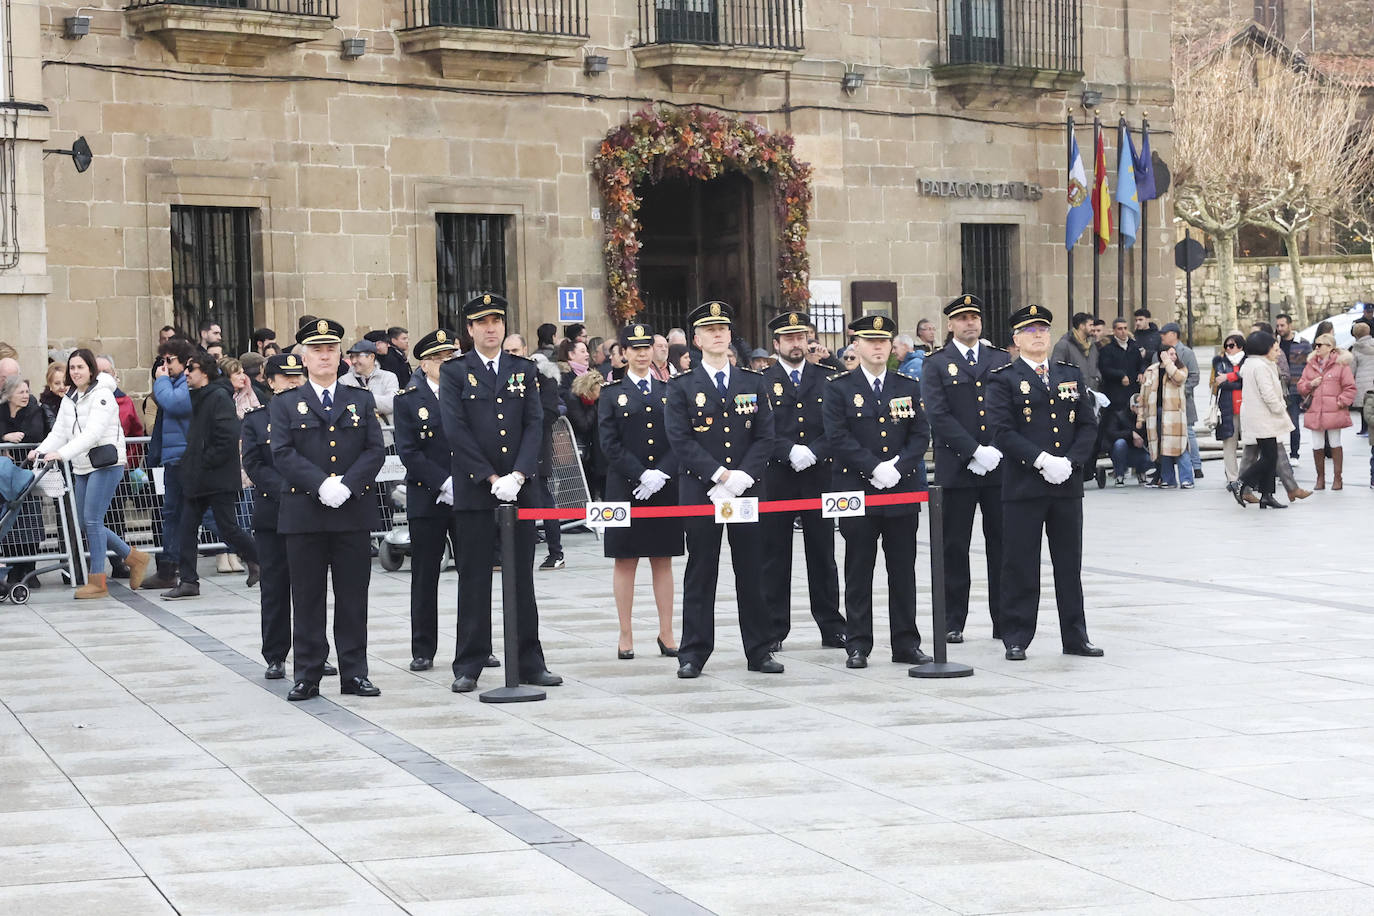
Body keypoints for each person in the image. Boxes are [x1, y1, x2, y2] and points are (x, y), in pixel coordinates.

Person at [440, 294, 561, 693]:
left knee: (521, 578)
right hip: (478, 490)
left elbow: (534, 423)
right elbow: (456, 431)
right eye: (483, 322)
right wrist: (492, 479)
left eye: (497, 321)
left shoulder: (522, 369)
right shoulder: (456, 371)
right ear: (470, 329)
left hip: (519, 491)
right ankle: (469, 663)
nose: (492, 328)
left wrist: (521, 474)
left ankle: (530, 660)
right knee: (474, 577)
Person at [270, 319, 386, 700]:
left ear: (341, 356)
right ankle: (307, 673)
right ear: (303, 357)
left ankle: (354, 672)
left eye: (331, 349)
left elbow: (374, 449)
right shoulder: (286, 403)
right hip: (305, 512)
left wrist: (347, 485)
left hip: (351, 511)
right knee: (307, 598)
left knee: (353, 597)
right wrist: (321, 483)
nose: (325, 355)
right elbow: (282, 453)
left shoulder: (360, 400)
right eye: (317, 350)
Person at [665, 299, 778, 678]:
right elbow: (680, 439)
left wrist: (743, 476)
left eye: (723, 329)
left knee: (752, 570)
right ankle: (694, 652)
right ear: (697, 340)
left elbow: (765, 434)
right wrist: (719, 476)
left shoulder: (752, 381)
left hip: (746, 489)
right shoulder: (682, 386)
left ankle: (759, 649)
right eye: (710, 330)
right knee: (701, 570)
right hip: (702, 491)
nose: (718, 335)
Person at [986, 304, 1102, 661]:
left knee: (1069, 563)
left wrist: (1071, 461)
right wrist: (1040, 460)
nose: (1038, 335)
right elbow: (1001, 430)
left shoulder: (1068, 373)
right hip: (1025, 484)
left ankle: (1075, 635)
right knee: (1020, 563)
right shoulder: (1003, 378)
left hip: (1065, 483)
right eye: (1030, 330)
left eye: (1043, 329)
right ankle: (1017, 635)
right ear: (1016, 339)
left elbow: (1087, 423)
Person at [824, 314, 933, 669]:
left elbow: (920, 434)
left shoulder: (907, 386)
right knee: (858, 568)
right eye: (869, 341)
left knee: (903, 569)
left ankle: (906, 642)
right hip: (856, 488)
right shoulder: (839, 387)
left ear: (891, 347)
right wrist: (873, 467)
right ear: (856, 345)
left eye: (883, 341)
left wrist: (897, 467)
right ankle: (857, 643)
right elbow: (837, 437)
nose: (876, 347)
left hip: (900, 489)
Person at [921, 294, 1012, 642]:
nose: (970, 322)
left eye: (974, 317)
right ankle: (952, 621)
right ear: (950, 325)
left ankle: (1004, 620)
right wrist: (973, 451)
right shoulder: (937, 363)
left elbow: (1009, 409)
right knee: (953, 548)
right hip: (957, 469)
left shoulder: (1000, 359)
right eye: (962, 318)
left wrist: (995, 450)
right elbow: (937, 414)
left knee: (1002, 547)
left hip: (999, 467)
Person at [394, 329, 484, 673]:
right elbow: (409, 452)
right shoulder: (408, 399)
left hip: (468, 493)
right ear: (425, 363)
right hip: (427, 495)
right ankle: (423, 648)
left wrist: (465, 481)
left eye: (451, 358)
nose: (447, 364)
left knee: (472, 573)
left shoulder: (467, 394)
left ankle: (476, 645)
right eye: (440, 359)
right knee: (425, 574)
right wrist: (442, 482)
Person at [30, 349, 151, 597]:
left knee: (93, 520)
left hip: (106, 463)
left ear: (91, 369)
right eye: (72, 368)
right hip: (82, 466)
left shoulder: (102, 395)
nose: (75, 372)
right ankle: (133, 557)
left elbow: (93, 433)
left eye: (80, 367)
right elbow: (59, 432)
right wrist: (40, 451)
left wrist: (61, 454)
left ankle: (98, 581)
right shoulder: (70, 398)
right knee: (85, 523)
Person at [242, 353, 334, 681]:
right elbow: (255, 464)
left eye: (298, 376)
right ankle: (276, 655)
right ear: (270, 382)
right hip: (275, 512)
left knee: (310, 589)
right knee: (276, 587)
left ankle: (314, 653)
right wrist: (292, 488)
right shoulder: (255, 419)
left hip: (310, 512)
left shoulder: (316, 414)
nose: (293, 382)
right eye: (285, 377)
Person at [760, 312, 845, 651]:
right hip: (777, 476)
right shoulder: (762, 380)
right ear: (776, 344)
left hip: (819, 473)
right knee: (773, 554)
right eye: (789, 338)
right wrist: (788, 451)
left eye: (801, 337)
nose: (796, 344)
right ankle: (774, 627)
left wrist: (814, 450)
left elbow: (838, 424)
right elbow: (761, 427)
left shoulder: (829, 378)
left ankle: (831, 624)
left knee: (823, 552)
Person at [598, 323, 683, 659]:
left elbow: (680, 436)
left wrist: (660, 473)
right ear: (624, 353)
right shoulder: (610, 393)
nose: (642, 353)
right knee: (625, 559)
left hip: (664, 486)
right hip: (625, 486)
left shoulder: (669, 390)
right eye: (634, 348)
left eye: (646, 347)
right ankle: (625, 634)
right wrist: (640, 475)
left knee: (663, 559)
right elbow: (608, 443)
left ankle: (667, 632)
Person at [158, 355, 260, 599]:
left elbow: (227, 436)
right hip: (199, 477)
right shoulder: (199, 396)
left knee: (228, 527)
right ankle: (189, 581)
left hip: (216, 477)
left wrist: (203, 462)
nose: (186, 374)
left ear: (203, 371)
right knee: (187, 527)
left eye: (190, 369)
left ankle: (260, 560)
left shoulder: (218, 397)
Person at [141, 338, 196, 591]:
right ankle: (168, 569)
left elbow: (175, 403)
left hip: (186, 458)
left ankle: (251, 556)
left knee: (208, 515)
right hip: (174, 458)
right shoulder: (171, 383)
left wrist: (161, 380)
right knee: (172, 514)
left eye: (169, 360)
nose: (165, 366)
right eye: (162, 361)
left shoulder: (188, 382)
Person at [1234, 331, 1292, 509]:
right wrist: (1280, 409)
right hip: (1264, 417)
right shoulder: (1260, 367)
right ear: (1264, 349)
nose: (1278, 352)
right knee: (1269, 457)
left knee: (1270, 455)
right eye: (1275, 349)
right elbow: (1267, 394)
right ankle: (1240, 483)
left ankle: (1267, 495)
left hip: (1260, 416)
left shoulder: (1255, 364)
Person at [1, 374, 49, 586]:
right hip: (5, 477)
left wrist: (16, 439)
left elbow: (35, 433)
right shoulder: (1, 411)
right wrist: (4, 439)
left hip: (27, 474)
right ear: (9, 394)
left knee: (30, 522)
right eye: (20, 391)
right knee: (10, 521)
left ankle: (29, 569)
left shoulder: (33, 409)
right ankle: (13, 568)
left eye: (26, 391)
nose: (25, 395)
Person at [1297, 333, 1357, 490]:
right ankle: (1320, 479)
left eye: (1320, 345)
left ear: (1330, 347)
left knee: (1335, 442)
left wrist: (1341, 401)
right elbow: (1301, 386)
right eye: (1315, 345)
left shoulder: (1341, 365)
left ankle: (1338, 478)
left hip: (1334, 410)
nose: (1316, 348)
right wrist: (1310, 384)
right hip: (1315, 410)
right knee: (1317, 444)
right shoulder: (1310, 365)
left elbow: (1350, 387)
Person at [1138, 345, 1194, 489]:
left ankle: (1187, 479)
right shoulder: (1151, 371)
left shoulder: (1180, 369)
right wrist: (1140, 417)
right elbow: (1143, 395)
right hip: (1155, 412)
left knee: (1180, 447)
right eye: (1170, 354)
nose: (1173, 356)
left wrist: (1168, 363)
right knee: (1163, 448)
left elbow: (1178, 379)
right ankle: (1167, 478)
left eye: (1175, 354)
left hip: (1174, 415)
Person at [1157, 323, 1202, 478]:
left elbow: (1194, 376)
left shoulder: (1186, 353)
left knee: (1188, 433)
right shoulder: (1159, 352)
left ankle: (1196, 466)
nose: (1161, 336)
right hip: (1164, 402)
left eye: (1165, 333)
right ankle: (1164, 474)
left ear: (1174, 334)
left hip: (1183, 402)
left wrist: (1182, 392)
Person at [340, 339, 399, 430]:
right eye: (351, 357)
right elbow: (344, 408)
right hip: (356, 436)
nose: (354, 361)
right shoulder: (344, 380)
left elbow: (391, 403)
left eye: (357, 356)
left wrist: (361, 398)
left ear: (371, 357)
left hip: (385, 436)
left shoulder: (388, 377)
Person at [1275, 314, 1311, 459]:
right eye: (1277, 326)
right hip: (1278, 389)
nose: (1279, 328)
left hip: (1295, 389)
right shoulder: (1274, 345)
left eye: (1282, 325)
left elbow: (1310, 365)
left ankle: (1294, 454)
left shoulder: (1303, 343)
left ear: (1290, 325)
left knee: (1294, 422)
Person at [1212, 334, 1246, 488]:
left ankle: (1248, 475)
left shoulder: (1248, 361)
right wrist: (1236, 380)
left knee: (1249, 444)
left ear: (1240, 346)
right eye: (1226, 346)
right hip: (1227, 407)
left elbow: (1248, 381)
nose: (1228, 349)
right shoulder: (1220, 361)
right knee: (1229, 444)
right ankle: (1232, 477)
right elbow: (1221, 384)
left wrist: (1229, 377)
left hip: (1247, 408)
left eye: (1231, 346)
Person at [566, 370, 607, 499]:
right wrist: (593, 407)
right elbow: (583, 425)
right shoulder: (574, 400)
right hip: (579, 448)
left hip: (594, 449)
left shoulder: (596, 401)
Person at [1102, 396, 1153, 485]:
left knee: (1153, 453)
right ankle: (1119, 475)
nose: (1142, 410)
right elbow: (1111, 433)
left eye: (1144, 407)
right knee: (1119, 444)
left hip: (1141, 450)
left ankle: (1141, 472)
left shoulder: (1147, 419)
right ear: (1132, 407)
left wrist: (1142, 441)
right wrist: (1131, 434)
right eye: (1139, 407)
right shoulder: (1119, 416)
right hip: (1123, 452)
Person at [1098, 317, 1145, 411]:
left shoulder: (1134, 346)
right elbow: (1104, 368)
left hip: (1132, 390)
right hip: (1115, 392)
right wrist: (1120, 375)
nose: (1123, 331)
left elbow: (1141, 364)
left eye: (1125, 328)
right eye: (1120, 329)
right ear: (1114, 331)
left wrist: (1141, 372)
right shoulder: (1107, 349)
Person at [1051, 312, 1102, 393]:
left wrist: (1097, 378)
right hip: (1073, 395)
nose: (1093, 328)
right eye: (1090, 325)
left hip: (1092, 393)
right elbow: (1056, 369)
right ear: (1081, 326)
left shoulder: (1092, 346)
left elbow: (1095, 366)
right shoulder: (1064, 344)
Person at [1, 375, 47, 445]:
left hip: (27, 453)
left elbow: (36, 435)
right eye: (21, 392)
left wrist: (15, 438)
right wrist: (4, 437)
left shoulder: (34, 409)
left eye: (27, 392)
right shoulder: (2, 409)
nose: (26, 396)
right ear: (9, 396)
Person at [1352, 322, 1374, 437]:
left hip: (1362, 381)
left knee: (1364, 407)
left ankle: (1364, 428)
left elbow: (1352, 366)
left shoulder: (1356, 348)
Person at [39, 362, 66, 430]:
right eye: (57, 383)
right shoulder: (46, 405)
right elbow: (54, 428)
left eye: (65, 382)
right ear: (50, 385)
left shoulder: (76, 398)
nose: (62, 387)